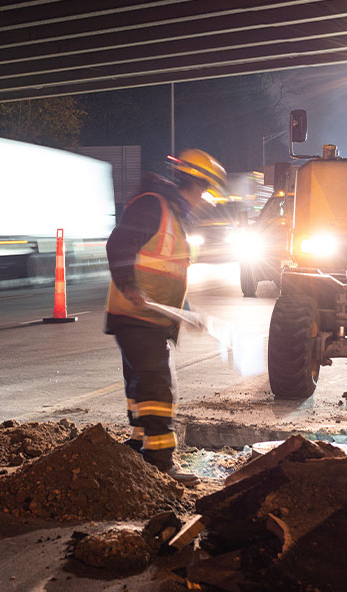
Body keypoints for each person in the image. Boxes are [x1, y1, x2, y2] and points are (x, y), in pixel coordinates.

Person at [104, 149, 227, 487]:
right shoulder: (153, 206)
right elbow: (118, 246)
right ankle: (159, 461)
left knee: (141, 382)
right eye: (206, 192)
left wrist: (186, 312)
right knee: (159, 385)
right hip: (137, 315)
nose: (206, 201)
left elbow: (169, 274)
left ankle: (139, 442)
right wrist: (128, 285)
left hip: (151, 317)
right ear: (196, 185)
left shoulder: (174, 214)